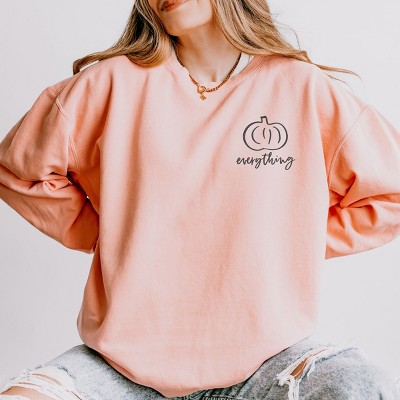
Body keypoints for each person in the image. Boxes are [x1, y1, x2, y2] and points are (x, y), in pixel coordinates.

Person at [1, 0, 399, 399]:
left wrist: (293, 241)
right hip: (120, 364)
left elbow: (390, 193)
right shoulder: (109, 83)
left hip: (269, 362)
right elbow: (17, 171)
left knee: (364, 388)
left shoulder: (302, 87)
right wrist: (101, 233)